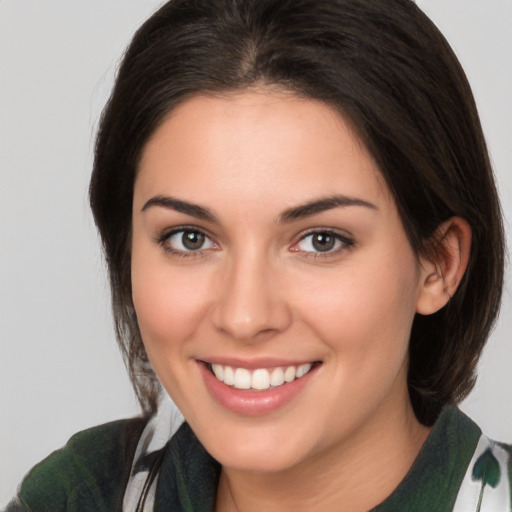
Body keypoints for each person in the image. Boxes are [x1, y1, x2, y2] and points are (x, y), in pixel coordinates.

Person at [5, 0, 510, 510]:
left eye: (321, 240)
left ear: (438, 265)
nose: (244, 317)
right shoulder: (78, 496)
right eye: (190, 238)